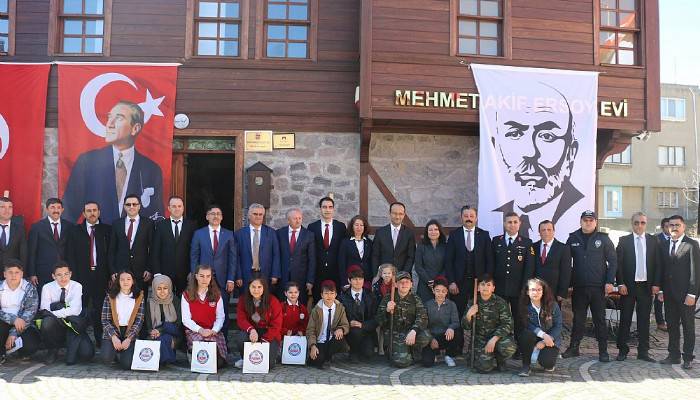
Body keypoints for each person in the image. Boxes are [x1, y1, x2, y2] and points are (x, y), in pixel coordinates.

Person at [490, 82, 584, 239]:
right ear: (496, 149)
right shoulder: (493, 215)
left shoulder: (580, 211)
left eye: (547, 136)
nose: (530, 152)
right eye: (515, 134)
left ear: (570, 153)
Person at [63, 100, 164, 224]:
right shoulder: (87, 162)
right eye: (109, 117)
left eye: (119, 118)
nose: (109, 124)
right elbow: (68, 212)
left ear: (135, 128)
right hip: (97, 239)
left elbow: (156, 217)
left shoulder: (151, 169)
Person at [562, 211, 616, 362]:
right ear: (580, 221)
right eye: (585, 220)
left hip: (598, 287)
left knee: (599, 319)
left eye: (591, 220)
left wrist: (610, 281)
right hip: (579, 287)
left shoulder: (603, 239)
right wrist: (568, 284)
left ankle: (603, 351)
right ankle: (574, 348)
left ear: (595, 222)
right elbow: (566, 263)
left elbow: (613, 261)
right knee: (578, 320)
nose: (588, 222)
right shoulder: (573, 238)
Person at [656, 215, 700, 369]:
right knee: (672, 326)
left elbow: (696, 271)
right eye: (671, 225)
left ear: (683, 227)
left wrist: (692, 294)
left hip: (686, 295)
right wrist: (661, 290)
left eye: (677, 225)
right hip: (668, 294)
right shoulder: (663, 244)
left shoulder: (691, 244)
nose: (674, 227)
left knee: (688, 327)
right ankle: (673, 355)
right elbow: (661, 269)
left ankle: (688, 357)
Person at [65, 200, 111, 343]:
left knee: (100, 309)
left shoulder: (107, 230)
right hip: (81, 276)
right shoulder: (75, 231)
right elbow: (70, 255)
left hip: (101, 276)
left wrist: (110, 275)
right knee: (80, 308)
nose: (92, 213)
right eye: (89, 210)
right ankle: (79, 341)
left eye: (94, 210)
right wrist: (73, 277)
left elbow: (111, 253)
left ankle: (100, 339)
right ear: (84, 213)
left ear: (99, 212)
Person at [615, 212, 658, 362]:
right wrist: (620, 283)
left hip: (646, 287)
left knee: (644, 320)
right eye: (636, 223)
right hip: (628, 287)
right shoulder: (624, 241)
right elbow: (618, 265)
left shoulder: (653, 241)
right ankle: (622, 350)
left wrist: (656, 284)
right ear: (631, 224)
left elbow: (658, 264)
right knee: (625, 319)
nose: (639, 225)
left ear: (646, 224)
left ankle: (643, 352)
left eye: (642, 223)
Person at [190, 204, 236, 338]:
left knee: (223, 312)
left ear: (221, 217)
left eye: (218, 214)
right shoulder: (199, 234)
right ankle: (204, 341)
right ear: (207, 216)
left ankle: (223, 342)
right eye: (212, 213)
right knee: (204, 311)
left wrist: (231, 278)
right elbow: (194, 256)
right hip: (203, 279)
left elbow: (233, 258)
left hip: (222, 280)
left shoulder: (228, 234)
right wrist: (195, 276)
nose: (215, 216)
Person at [39, 261, 93, 365]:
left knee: (87, 354)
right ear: (53, 276)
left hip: (73, 324)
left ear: (70, 274)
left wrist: (55, 311)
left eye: (66, 274)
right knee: (47, 322)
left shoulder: (77, 286)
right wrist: (63, 311)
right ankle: (52, 349)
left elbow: (76, 310)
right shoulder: (47, 287)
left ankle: (71, 348)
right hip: (56, 324)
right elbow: (44, 309)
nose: (63, 278)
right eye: (59, 275)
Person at [445, 206, 494, 317]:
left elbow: (490, 260)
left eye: (472, 216)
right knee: (458, 313)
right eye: (466, 216)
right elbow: (448, 261)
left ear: (476, 218)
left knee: (479, 314)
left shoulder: (484, 235)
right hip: (458, 283)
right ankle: (458, 335)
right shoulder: (454, 235)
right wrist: (451, 281)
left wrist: (486, 282)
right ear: (461, 218)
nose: (469, 218)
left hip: (479, 283)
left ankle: (476, 335)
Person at [462, 274, 517, 373]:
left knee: (509, 347)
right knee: (484, 368)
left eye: (488, 285)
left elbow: (508, 324)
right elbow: (465, 326)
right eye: (482, 285)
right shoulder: (473, 302)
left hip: (496, 338)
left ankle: (500, 360)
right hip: (480, 340)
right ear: (478, 288)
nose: (485, 287)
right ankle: (488, 359)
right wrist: (469, 315)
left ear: (493, 288)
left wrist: (494, 339)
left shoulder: (500, 303)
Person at [376, 271, 431, 368]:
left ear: (411, 284)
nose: (404, 284)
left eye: (407, 282)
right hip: (395, 334)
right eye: (401, 282)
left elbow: (422, 317)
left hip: (410, 332)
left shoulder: (415, 298)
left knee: (426, 336)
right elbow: (379, 320)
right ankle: (402, 352)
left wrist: (414, 331)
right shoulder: (389, 298)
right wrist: (387, 310)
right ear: (396, 285)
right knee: (402, 363)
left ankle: (413, 351)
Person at [492, 212, 535, 334]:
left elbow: (529, 268)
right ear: (504, 224)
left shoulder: (527, 243)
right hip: (499, 287)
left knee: (519, 318)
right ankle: (501, 344)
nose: (512, 225)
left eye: (515, 222)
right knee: (499, 317)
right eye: (509, 222)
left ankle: (519, 346)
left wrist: (525, 287)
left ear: (520, 224)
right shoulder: (496, 241)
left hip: (518, 289)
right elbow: (492, 264)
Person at [108, 194, 154, 297]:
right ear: (124, 206)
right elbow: (111, 250)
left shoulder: (148, 224)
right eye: (128, 204)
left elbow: (152, 249)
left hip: (141, 273)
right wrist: (113, 271)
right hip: (121, 272)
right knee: (121, 302)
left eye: (134, 204)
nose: (131, 207)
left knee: (140, 302)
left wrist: (149, 269)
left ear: (139, 206)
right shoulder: (116, 224)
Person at [181, 264, 228, 366]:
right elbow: (186, 319)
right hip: (195, 331)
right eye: (202, 276)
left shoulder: (217, 294)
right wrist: (200, 330)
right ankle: (191, 352)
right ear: (196, 276)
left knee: (218, 363)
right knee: (204, 357)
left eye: (208, 276)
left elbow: (221, 316)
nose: (205, 279)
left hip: (212, 331)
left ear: (211, 277)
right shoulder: (186, 295)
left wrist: (214, 330)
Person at [517, 278, 562, 377]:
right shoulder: (524, 306)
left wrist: (544, 341)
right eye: (533, 290)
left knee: (547, 364)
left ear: (543, 291)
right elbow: (527, 324)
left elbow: (558, 326)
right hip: (533, 337)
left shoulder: (553, 305)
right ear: (527, 292)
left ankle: (539, 353)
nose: (536, 292)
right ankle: (526, 365)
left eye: (539, 290)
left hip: (550, 339)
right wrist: (542, 335)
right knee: (526, 333)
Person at [151, 196, 196, 295]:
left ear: (183, 208)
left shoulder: (191, 226)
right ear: (169, 208)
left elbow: (194, 251)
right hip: (164, 273)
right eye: (174, 206)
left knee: (184, 302)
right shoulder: (160, 226)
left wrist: (193, 271)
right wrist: (157, 273)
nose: (177, 209)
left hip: (185, 273)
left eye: (179, 206)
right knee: (166, 303)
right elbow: (155, 251)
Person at [100, 269, 145, 370]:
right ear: (118, 281)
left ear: (133, 281)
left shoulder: (139, 296)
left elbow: (139, 320)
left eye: (128, 279)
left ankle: (122, 353)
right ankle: (115, 352)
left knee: (127, 365)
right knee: (106, 359)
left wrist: (129, 339)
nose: (125, 282)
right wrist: (114, 338)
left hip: (129, 332)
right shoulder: (110, 296)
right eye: (122, 279)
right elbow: (105, 319)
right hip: (114, 330)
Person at [235, 277, 283, 369]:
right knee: (241, 337)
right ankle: (245, 358)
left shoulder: (273, 301)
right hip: (252, 332)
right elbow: (241, 319)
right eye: (253, 287)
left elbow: (277, 325)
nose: (256, 290)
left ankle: (272, 357)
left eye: (259, 287)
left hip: (269, 333)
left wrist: (264, 340)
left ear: (264, 288)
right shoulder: (243, 299)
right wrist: (251, 330)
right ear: (249, 287)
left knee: (268, 365)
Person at [0, 259, 40, 365]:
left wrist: (13, 333)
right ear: (4, 274)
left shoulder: (29, 288)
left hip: (23, 325)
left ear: (22, 274)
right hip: (3, 323)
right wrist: (13, 319)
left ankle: (17, 350)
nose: (14, 275)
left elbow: (29, 313)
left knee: (30, 346)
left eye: (17, 272)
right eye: (10, 272)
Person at [28, 198, 74, 288]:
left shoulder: (70, 227)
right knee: (45, 299)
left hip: (64, 273)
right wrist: (32, 273)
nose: (56, 210)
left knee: (64, 299)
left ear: (62, 210)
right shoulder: (37, 227)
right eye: (52, 207)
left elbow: (72, 251)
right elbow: (32, 252)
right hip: (43, 272)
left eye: (58, 207)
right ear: (47, 209)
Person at [234, 203, 280, 290]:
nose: (258, 216)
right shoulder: (239, 234)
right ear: (249, 215)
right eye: (255, 214)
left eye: (260, 214)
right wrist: (238, 275)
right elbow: (237, 257)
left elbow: (276, 255)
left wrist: (275, 274)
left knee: (265, 300)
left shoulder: (271, 233)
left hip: (266, 273)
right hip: (246, 274)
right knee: (246, 299)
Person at [308, 197, 346, 301]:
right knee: (318, 300)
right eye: (324, 207)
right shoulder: (312, 227)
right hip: (318, 272)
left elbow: (343, 251)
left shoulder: (341, 227)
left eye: (330, 207)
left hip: (335, 271)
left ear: (333, 209)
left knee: (336, 301)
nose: (327, 210)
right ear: (320, 209)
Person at [306, 280, 349, 369]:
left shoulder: (340, 308)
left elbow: (345, 324)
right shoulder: (316, 310)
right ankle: (324, 357)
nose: (329, 296)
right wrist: (313, 345)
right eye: (326, 293)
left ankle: (329, 355)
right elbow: (310, 330)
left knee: (341, 341)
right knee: (317, 360)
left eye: (332, 293)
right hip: (320, 341)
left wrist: (341, 329)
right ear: (322, 295)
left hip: (332, 340)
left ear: (336, 294)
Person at [277, 208, 315, 304]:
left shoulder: (309, 235)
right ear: (288, 220)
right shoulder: (279, 233)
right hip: (283, 277)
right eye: (295, 218)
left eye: (300, 218)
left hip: (301, 278)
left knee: (300, 305)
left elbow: (312, 259)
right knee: (282, 304)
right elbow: (276, 256)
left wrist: (310, 280)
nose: (298, 220)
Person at [339, 265, 377, 362]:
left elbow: (376, 318)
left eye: (360, 279)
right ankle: (353, 351)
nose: (358, 282)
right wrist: (348, 322)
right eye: (355, 279)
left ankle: (362, 348)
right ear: (349, 281)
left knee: (368, 354)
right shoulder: (342, 297)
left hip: (366, 330)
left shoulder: (370, 296)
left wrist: (362, 325)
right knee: (356, 331)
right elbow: (339, 317)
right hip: (351, 332)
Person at [421, 276, 462, 367]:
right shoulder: (427, 305)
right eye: (438, 290)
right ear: (433, 291)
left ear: (447, 292)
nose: (440, 294)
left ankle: (449, 355)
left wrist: (451, 328)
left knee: (457, 332)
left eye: (443, 291)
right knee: (427, 363)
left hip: (445, 336)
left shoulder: (451, 305)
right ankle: (435, 353)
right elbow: (423, 324)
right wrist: (431, 339)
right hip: (431, 337)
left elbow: (456, 322)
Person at [144, 274, 181, 365]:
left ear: (170, 288)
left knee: (167, 329)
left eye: (165, 288)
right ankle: (168, 359)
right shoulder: (150, 303)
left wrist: (160, 330)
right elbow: (148, 324)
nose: (162, 292)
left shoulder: (175, 300)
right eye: (159, 288)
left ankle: (162, 359)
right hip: (156, 335)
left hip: (174, 332)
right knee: (164, 338)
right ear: (154, 289)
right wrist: (152, 332)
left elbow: (178, 323)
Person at [533, 220, 571, 303]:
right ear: (539, 232)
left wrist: (562, 292)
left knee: (552, 316)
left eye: (549, 230)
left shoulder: (563, 248)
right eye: (543, 230)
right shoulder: (533, 247)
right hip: (535, 292)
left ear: (554, 231)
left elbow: (566, 272)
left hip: (554, 293)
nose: (546, 232)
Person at [371, 202, 416, 274]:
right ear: (389, 214)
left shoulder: (409, 233)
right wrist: (376, 275)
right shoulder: (380, 232)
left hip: (402, 278)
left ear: (404, 215)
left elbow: (410, 257)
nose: (397, 217)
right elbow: (375, 255)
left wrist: (403, 274)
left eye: (400, 214)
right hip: (383, 277)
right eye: (395, 213)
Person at [414, 219, 447, 303]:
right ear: (427, 232)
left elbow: (447, 265)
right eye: (430, 230)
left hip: (441, 285)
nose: (433, 232)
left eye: (436, 229)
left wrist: (439, 281)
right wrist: (429, 281)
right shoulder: (421, 246)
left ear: (440, 231)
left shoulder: (445, 246)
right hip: (425, 284)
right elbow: (418, 266)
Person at [338, 215, 373, 288]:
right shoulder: (345, 242)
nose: (359, 227)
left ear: (364, 227)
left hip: (366, 279)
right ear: (352, 226)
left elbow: (371, 261)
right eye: (356, 225)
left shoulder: (369, 242)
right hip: (351, 279)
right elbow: (342, 263)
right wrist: (344, 282)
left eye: (361, 225)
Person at [0, 196, 27, 268]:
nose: (7, 210)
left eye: (10, 207)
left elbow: (23, 254)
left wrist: (22, 273)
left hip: (12, 274)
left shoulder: (20, 229)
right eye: (3, 207)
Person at [654, 217, 670, 332]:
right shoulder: (656, 239)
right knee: (659, 299)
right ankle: (660, 322)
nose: (669, 228)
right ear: (662, 227)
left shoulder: (675, 238)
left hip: (671, 275)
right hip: (659, 273)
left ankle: (670, 321)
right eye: (667, 226)